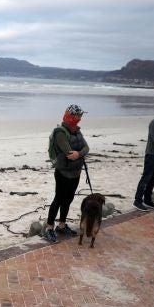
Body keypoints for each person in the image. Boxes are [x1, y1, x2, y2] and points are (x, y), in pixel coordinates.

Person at [43, 104, 89, 243]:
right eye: (78, 115)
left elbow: (87, 148)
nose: (80, 117)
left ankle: (62, 226)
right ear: (71, 116)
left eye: (81, 115)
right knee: (58, 200)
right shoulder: (60, 132)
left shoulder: (77, 131)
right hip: (63, 172)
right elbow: (69, 153)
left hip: (76, 172)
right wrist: (79, 153)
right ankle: (49, 228)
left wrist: (79, 153)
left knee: (68, 200)